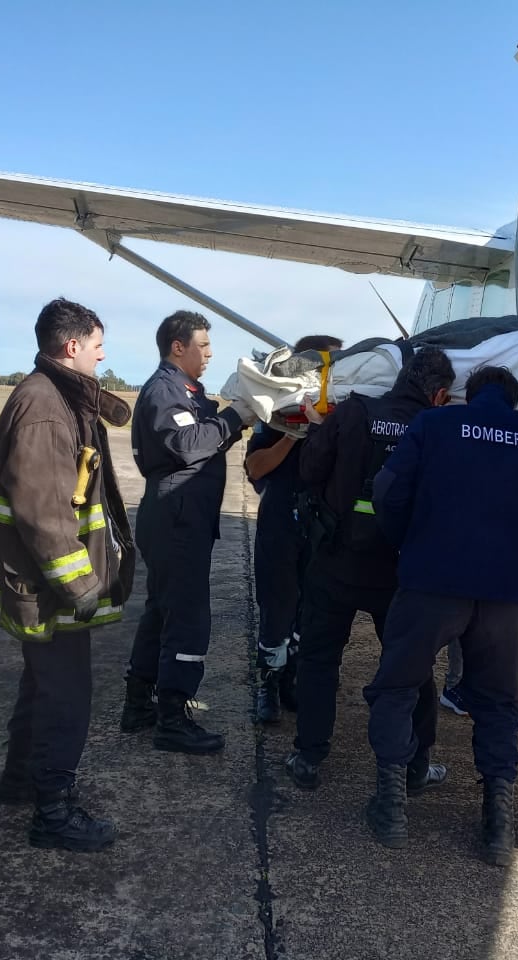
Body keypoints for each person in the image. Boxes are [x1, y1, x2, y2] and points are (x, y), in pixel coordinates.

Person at [363, 366, 518, 860]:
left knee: (397, 687)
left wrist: (406, 545)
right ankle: (497, 824)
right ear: (516, 401)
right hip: (503, 594)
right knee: (498, 702)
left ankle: (391, 808)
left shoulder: (434, 424)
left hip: (430, 582)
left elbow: (387, 493)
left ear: (466, 394)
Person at [0, 298, 135, 853]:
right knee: (67, 697)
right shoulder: (46, 408)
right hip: (48, 586)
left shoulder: (51, 395)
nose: (103, 358)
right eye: (98, 347)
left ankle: (21, 781)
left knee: (42, 683)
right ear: (72, 347)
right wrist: (79, 584)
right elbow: (42, 511)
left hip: (39, 580)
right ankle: (53, 812)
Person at [284, 347, 455, 791]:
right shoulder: (436, 429)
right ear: (439, 395)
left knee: (320, 659)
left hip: (335, 560)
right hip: (400, 571)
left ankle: (308, 755)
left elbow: (309, 469)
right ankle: (416, 764)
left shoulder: (355, 411)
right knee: (411, 668)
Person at [120, 310, 257, 754]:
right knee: (188, 620)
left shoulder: (184, 392)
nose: (210, 353)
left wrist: (233, 423)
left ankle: (139, 703)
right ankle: (173, 719)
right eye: (203, 344)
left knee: (161, 612)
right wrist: (235, 417)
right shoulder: (165, 391)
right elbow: (186, 444)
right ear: (178, 347)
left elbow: (203, 437)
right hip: (177, 521)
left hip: (178, 518)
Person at [245, 333, 344, 724]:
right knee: (277, 607)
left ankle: (292, 679)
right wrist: (293, 434)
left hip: (321, 522)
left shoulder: (342, 416)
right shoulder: (278, 412)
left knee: (311, 610)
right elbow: (255, 468)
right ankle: (267, 685)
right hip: (283, 518)